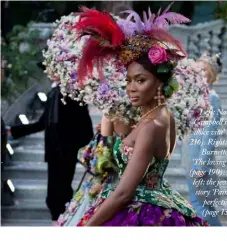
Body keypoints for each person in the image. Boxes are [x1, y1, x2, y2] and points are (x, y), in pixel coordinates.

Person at [59, 6, 209, 226]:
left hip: (140, 214)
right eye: (129, 80)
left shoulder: (153, 124)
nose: (131, 88)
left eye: (140, 80)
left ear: (159, 81)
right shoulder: (159, 116)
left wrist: (87, 228)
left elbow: (124, 193)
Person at [8, 62, 94, 225]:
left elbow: (84, 123)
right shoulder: (53, 92)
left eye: (53, 68)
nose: (49, 72)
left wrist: (85, 149)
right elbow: (43, 123)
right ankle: (60, 222)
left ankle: (64, 222)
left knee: (61, 192)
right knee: (55, 194)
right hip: (55, 152)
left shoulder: (72, 93)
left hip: (65, 151)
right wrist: (14, 131)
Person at [184, 52, 223, 226]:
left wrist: (202, 165)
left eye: (203, 70)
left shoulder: (212, 99)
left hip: (200, 161)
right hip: (190, 157)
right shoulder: (196, 97)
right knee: (196, 203)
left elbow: (210, 134)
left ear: (209, 75)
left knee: (203, 207)